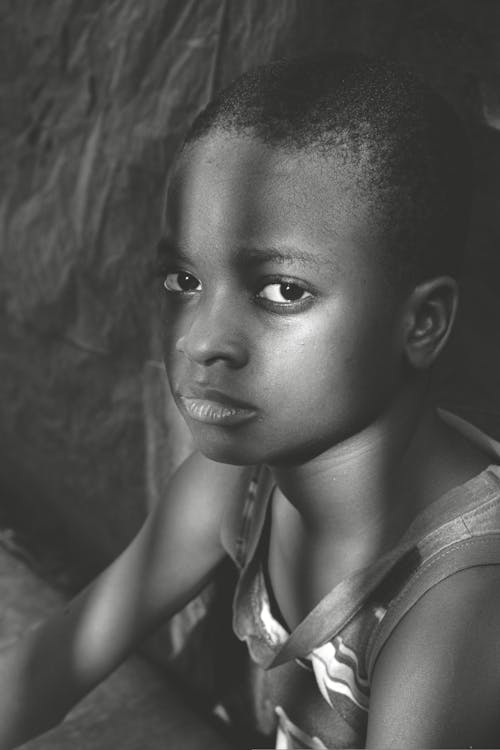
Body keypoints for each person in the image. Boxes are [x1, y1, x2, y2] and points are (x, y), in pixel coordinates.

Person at [2, 52, 500, 750]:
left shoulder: (462, 599)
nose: (203, 342)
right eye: (183, 280)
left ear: (421, 324)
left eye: (282, 291)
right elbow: (53, 667)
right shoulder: (242, 483)